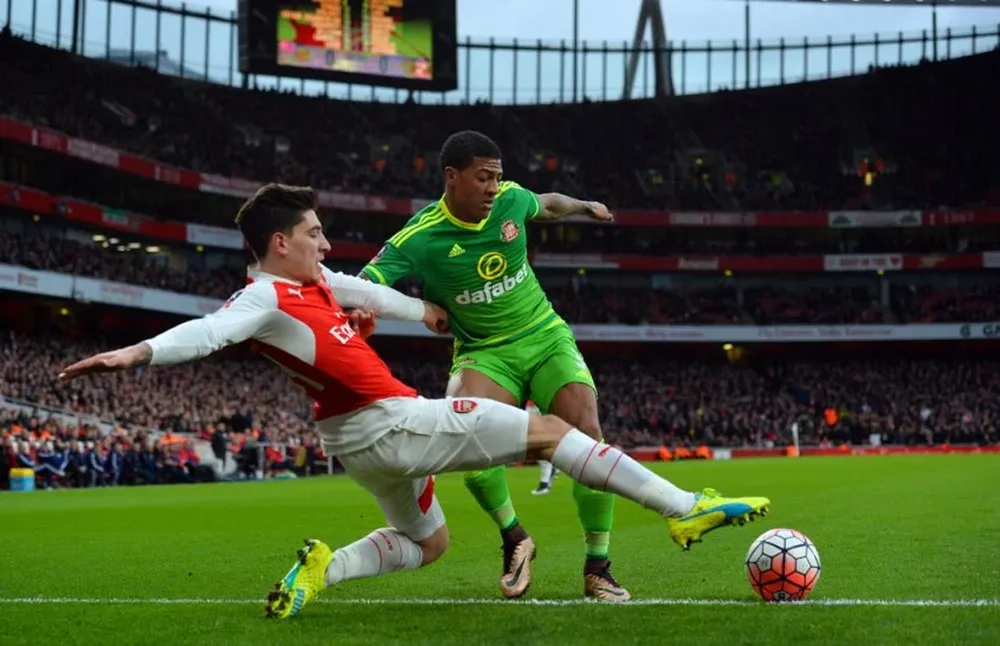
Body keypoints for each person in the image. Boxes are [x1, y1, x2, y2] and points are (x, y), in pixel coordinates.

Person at [57, 183, 771, 620]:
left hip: (356, 444)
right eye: (313, 234)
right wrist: (134, 353)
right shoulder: (264, 294)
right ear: (279, 243)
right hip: (391, 423)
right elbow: (209, 332)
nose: (325, 243)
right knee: (552, 430)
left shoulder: (314, 283)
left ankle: (321, 570)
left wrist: (421, 310)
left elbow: (366, 291)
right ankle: (686, 509)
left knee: (428, 544)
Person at [357, 130, 626, 599]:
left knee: (589, 438)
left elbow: (549, 202)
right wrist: (402, 309)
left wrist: (585, 205)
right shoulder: (420, 236)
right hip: (484, 352)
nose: (492, 188)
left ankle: (598, 566)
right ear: (452, 177)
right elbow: (369, 281)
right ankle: (515, 537)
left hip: (544, 336)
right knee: (469, 445)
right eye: (483, 178)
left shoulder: (511, 201)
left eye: (497, 179)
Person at [525, 401, 559, 495]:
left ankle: (544, 485)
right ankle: (551, 472)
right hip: (530, 407)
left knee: (541, 449)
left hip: (536, 407)